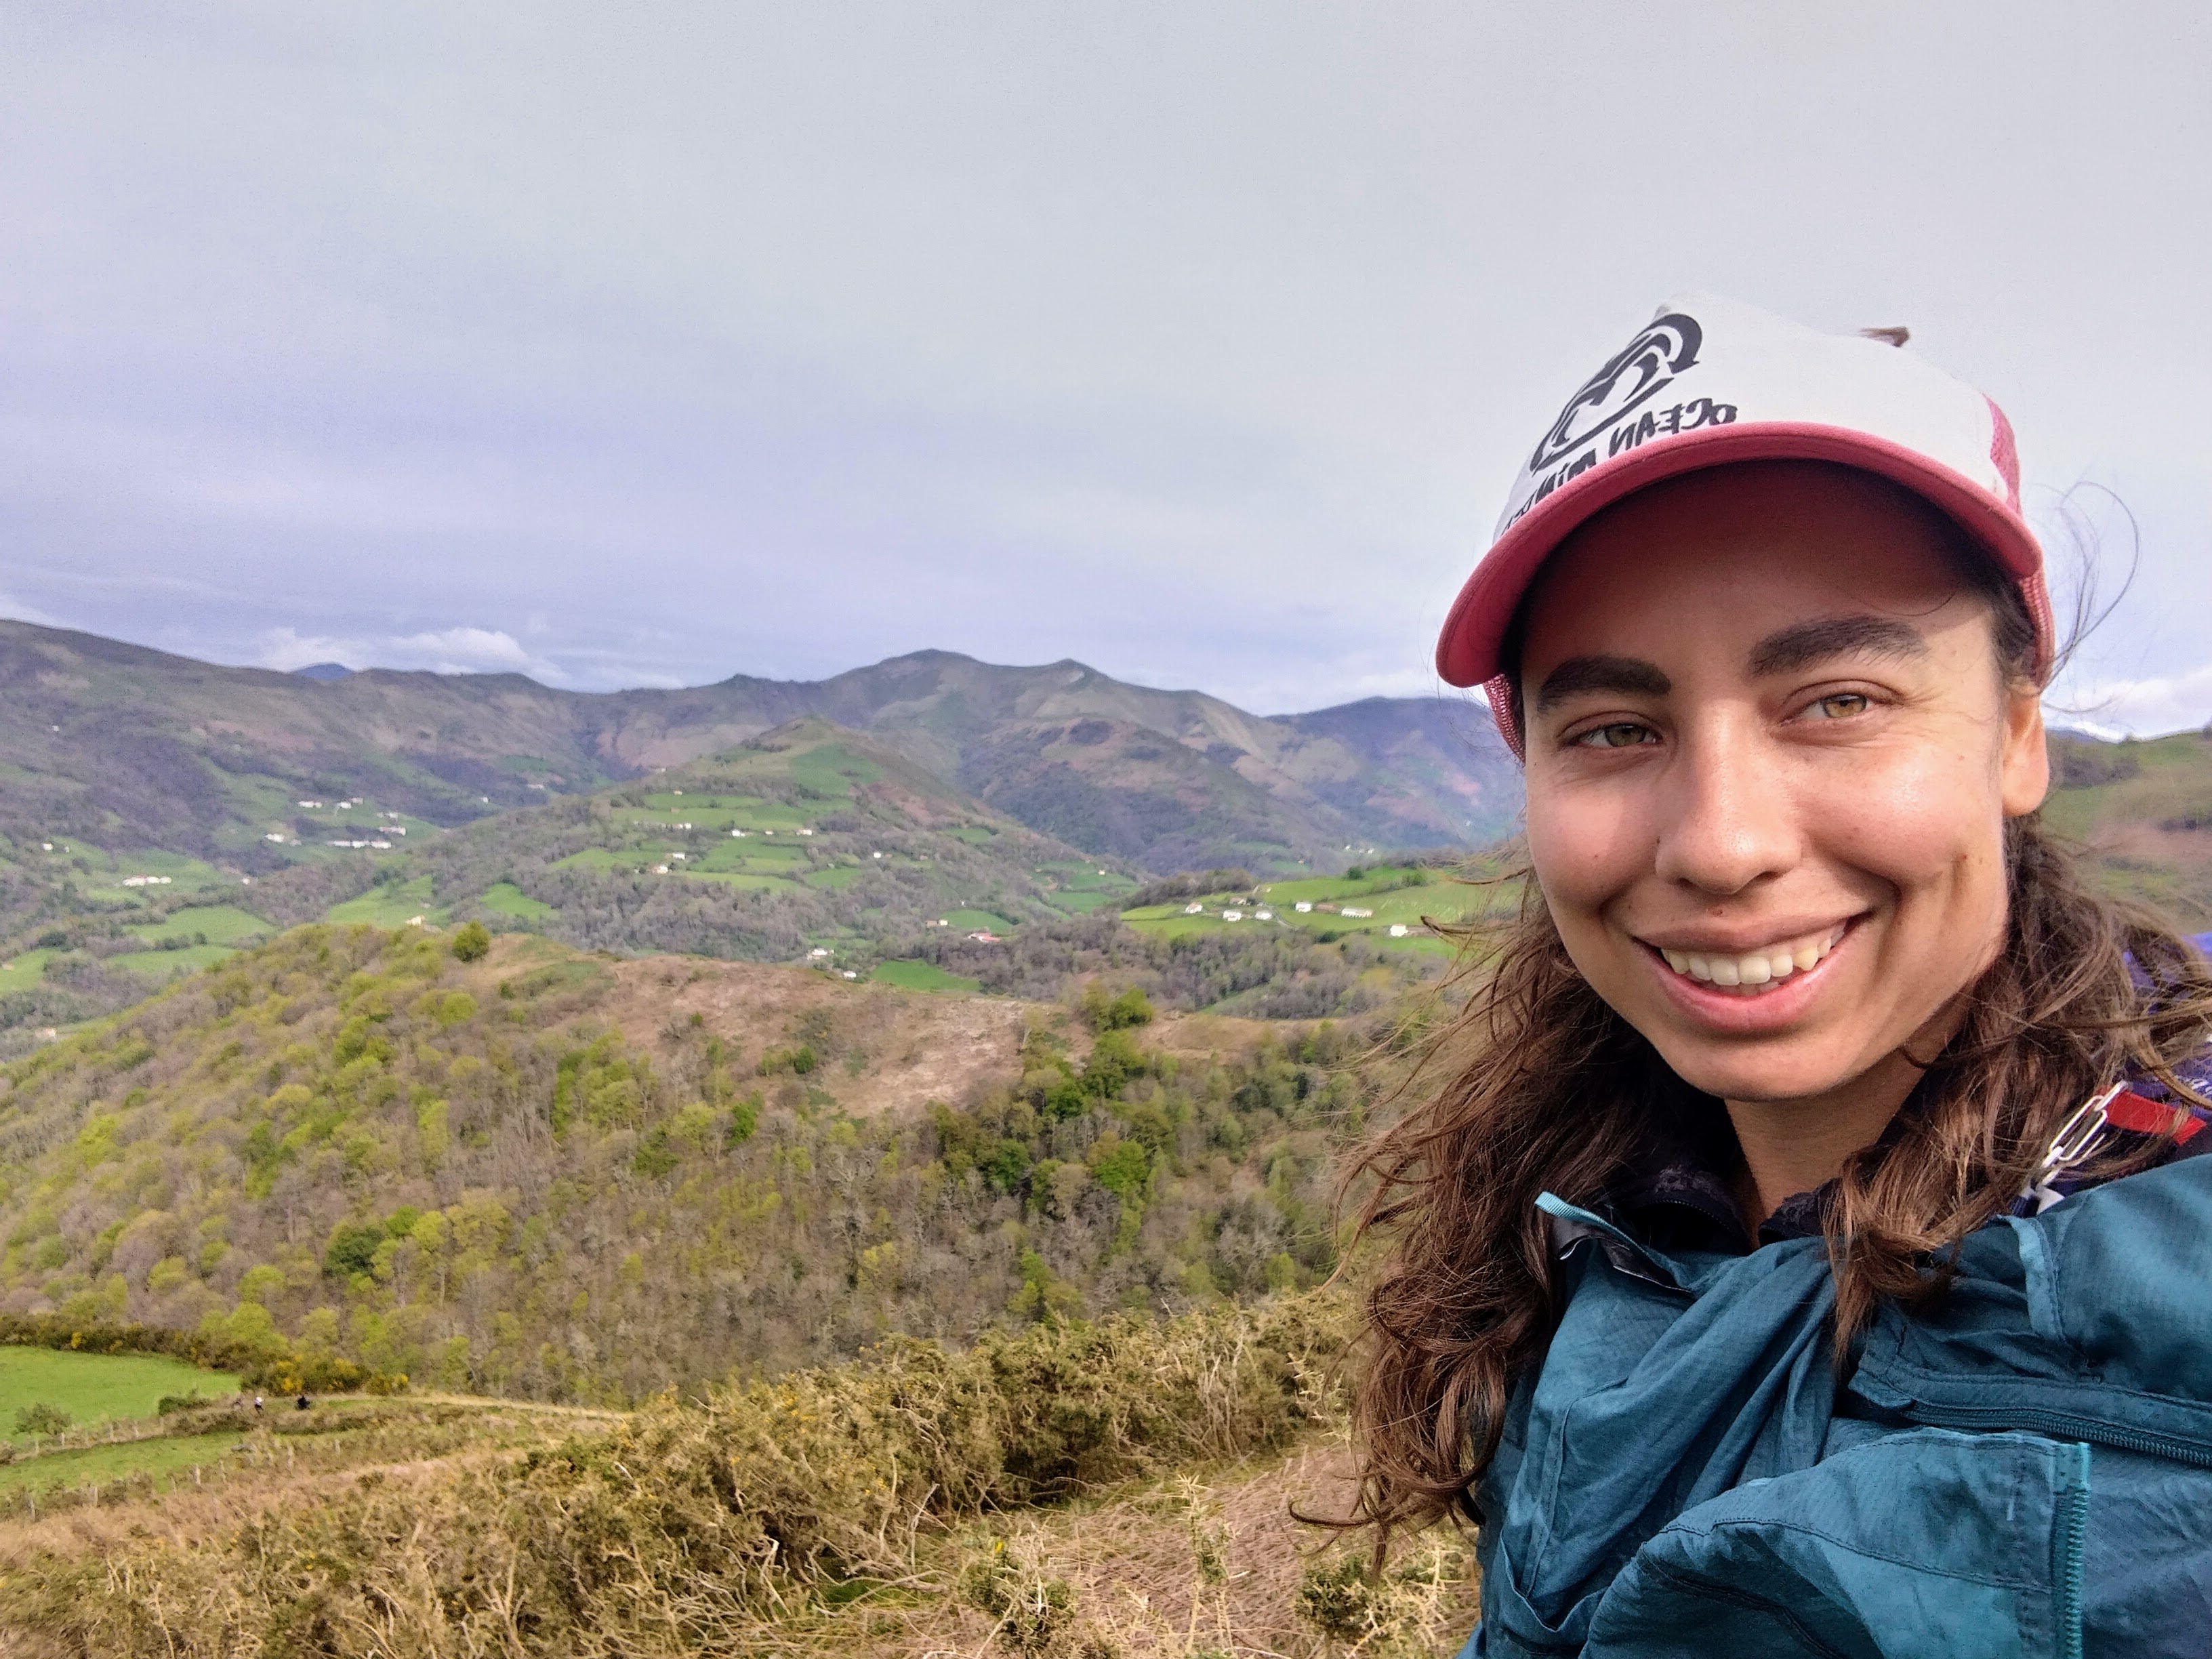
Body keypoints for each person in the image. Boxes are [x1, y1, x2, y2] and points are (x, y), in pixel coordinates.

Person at [1345, 293, 2212, 1656]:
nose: (1723, 844)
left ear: (2016, 737)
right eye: (1619, 728)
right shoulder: (1587, 1222)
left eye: (1839, 702)